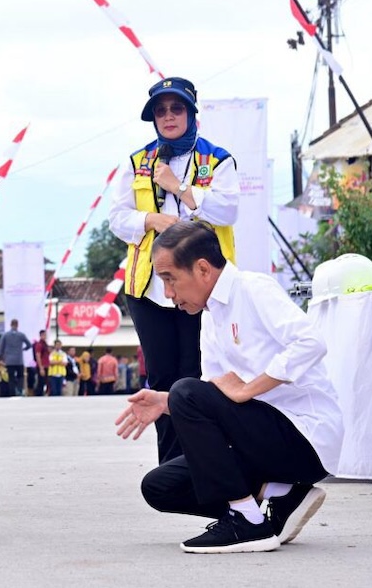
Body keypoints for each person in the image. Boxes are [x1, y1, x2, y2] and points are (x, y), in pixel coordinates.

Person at [116, 221, 341, 554]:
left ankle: (247, 520)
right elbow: (212, 391)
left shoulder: (253, 289)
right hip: (262, 440)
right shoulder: (210, 315)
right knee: (160, 486)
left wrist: (249, 388)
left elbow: (310, 343)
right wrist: (167, 403)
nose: (167, 294)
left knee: (185, 391)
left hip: (305, 437)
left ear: (203, 269)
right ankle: (280, 493)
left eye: (169, 279)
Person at [108, 77, 239, 464]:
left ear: (192, 112)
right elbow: (117, 218)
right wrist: (151, 219)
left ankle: (204, 458)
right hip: (148, 288)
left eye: (176, 108)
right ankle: (172, 465)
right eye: (161, 111)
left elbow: (228, 210)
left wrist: (181, 189)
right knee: (162, 379)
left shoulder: (219, 159)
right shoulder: (135, 162)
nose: (168, 117)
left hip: (201, 289)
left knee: (196, 376)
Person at [0, 319, 32, 397]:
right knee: (20, 376)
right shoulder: (21, 335)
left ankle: (12, 393)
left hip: (9, 360)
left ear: (10, 324)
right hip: (19, 360)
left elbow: (1, 347)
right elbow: (29, 345)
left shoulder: (5, 335)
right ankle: (19, 391)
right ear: (17, 325)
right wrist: (23, 349)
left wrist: (0, 357)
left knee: (11, 378)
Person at [32, 329, 50, 397]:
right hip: (42, 366)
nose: (45, 336)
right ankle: (38, 395)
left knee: (44, 382)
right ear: (41, 335)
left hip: (46, 366)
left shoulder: (45, 344)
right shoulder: (39, 345)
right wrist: (41, 368)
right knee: (40, 382)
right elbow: (38, 355)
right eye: (44, 335)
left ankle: (42, 394)